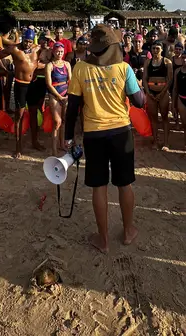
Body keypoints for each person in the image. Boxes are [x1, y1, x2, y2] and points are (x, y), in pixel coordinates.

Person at [64, 24, 145, 254]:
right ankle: (128, 230)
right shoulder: (124, 68)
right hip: (121, 132)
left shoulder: (80, 68)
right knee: (124, 183)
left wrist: (69, 137)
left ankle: (104, 239)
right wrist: (140, 90)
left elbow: (72, 108)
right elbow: (139, 102)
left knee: (98, 186)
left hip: (94, 134)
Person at [0, 28, 44, 158]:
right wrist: (6, 70)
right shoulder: (14, 49)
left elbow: (47, 57)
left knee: (33, 114)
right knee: (19, 116)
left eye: (29, 41)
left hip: (33, 84)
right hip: (20, 85)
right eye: (25, 41)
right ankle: (18, 147)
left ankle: (35, 141)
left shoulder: (37, 49)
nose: (27, 44)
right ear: (22, 38)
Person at [143, 41, 173, 150]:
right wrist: (148, 92)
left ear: (161, 50)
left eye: (157, 48)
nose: (155, 51)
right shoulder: (147, 62)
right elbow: (145, 79)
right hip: (151, 92)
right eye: (153, 48)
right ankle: (155, 141)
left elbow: (170, 80)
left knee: (165, 117)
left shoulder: (167, 62)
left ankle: (166, 142)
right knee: (153, 118)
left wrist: (162, 92)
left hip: (163, 92)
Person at [45, 42, 72, 157]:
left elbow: (70, 80)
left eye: (61, 51)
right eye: (57, 51)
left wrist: (68, 95)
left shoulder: (67, 64)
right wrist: (59, 96)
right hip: (54, 94)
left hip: (65, 93)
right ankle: (54, 149)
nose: (59, 54)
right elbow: (49, 84)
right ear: (53, 52)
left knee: (64, 121)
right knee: (57, 122)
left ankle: (62, 144)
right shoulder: (50, 65)